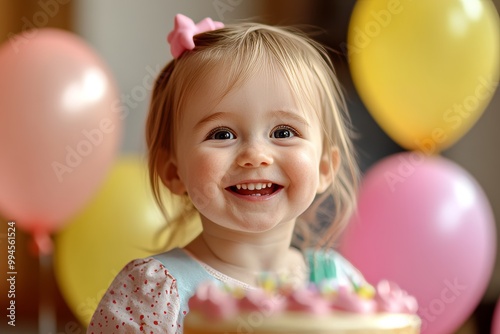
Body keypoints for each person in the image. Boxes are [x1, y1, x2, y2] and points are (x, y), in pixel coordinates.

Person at [87, 13, 365, 334]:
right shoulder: (155, 293)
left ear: (325, 166)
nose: (255, 156)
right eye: (222, 134)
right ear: (173, 172)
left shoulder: (341, 286)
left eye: (284, 131)